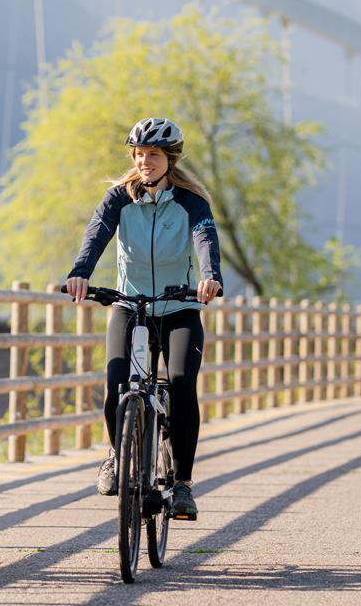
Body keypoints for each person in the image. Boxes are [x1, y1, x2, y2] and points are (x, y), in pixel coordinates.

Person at [64, 117, 224, 521]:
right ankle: (118, 455)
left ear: (169, 160)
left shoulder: (191, 203)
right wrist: (80, 271)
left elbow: (205, 239)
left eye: (153, 155)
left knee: (183, 384)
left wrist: (210, 277)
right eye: (139, 155)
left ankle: (183, 484)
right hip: (130, 306)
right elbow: (97, 232)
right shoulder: (119, 198)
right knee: (117, 383)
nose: (145, 162)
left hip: (179, 308)